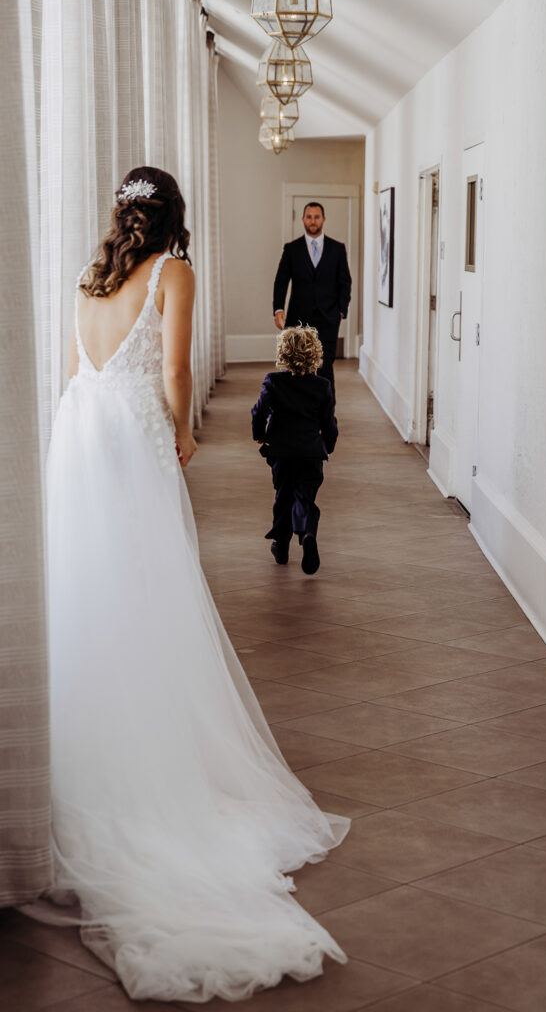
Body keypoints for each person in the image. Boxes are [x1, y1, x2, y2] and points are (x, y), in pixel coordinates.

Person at [24, 167, 350, 1003]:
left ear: (120, 215)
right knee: (150, 590)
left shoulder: (86, 277)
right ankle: (155, 755)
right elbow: (175, 372)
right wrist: (183, 435)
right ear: (172, 216)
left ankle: (91, 747)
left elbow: (74, 369)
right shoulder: (174, 272)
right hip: (130, 443)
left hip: (79, 437)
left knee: (90, 592)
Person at [252, 326, 338, 576]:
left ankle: (281, 546)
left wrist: (260, 436)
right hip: (311, 453)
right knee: (305, 497)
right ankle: (308, 533)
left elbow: (259, 411)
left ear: (282, 354)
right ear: (316, 355)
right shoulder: (322, 386)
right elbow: (328, 423)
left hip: (281, 452)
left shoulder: (274, 381)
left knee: (284, 496)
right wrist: (327, 446)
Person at [273, 202, 352, 401]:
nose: (313, 221)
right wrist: (278, 308)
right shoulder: (292, 249)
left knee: (325, 367)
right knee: (297, 367)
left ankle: (326, 415)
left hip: (328, 318)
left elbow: (345, 282)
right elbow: (281, 281)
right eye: (309, 217)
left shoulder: (337, 249)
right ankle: (299, 412)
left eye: (317, 217)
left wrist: (341, 311)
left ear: (323, 219)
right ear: (303, 219)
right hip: (298, 317)